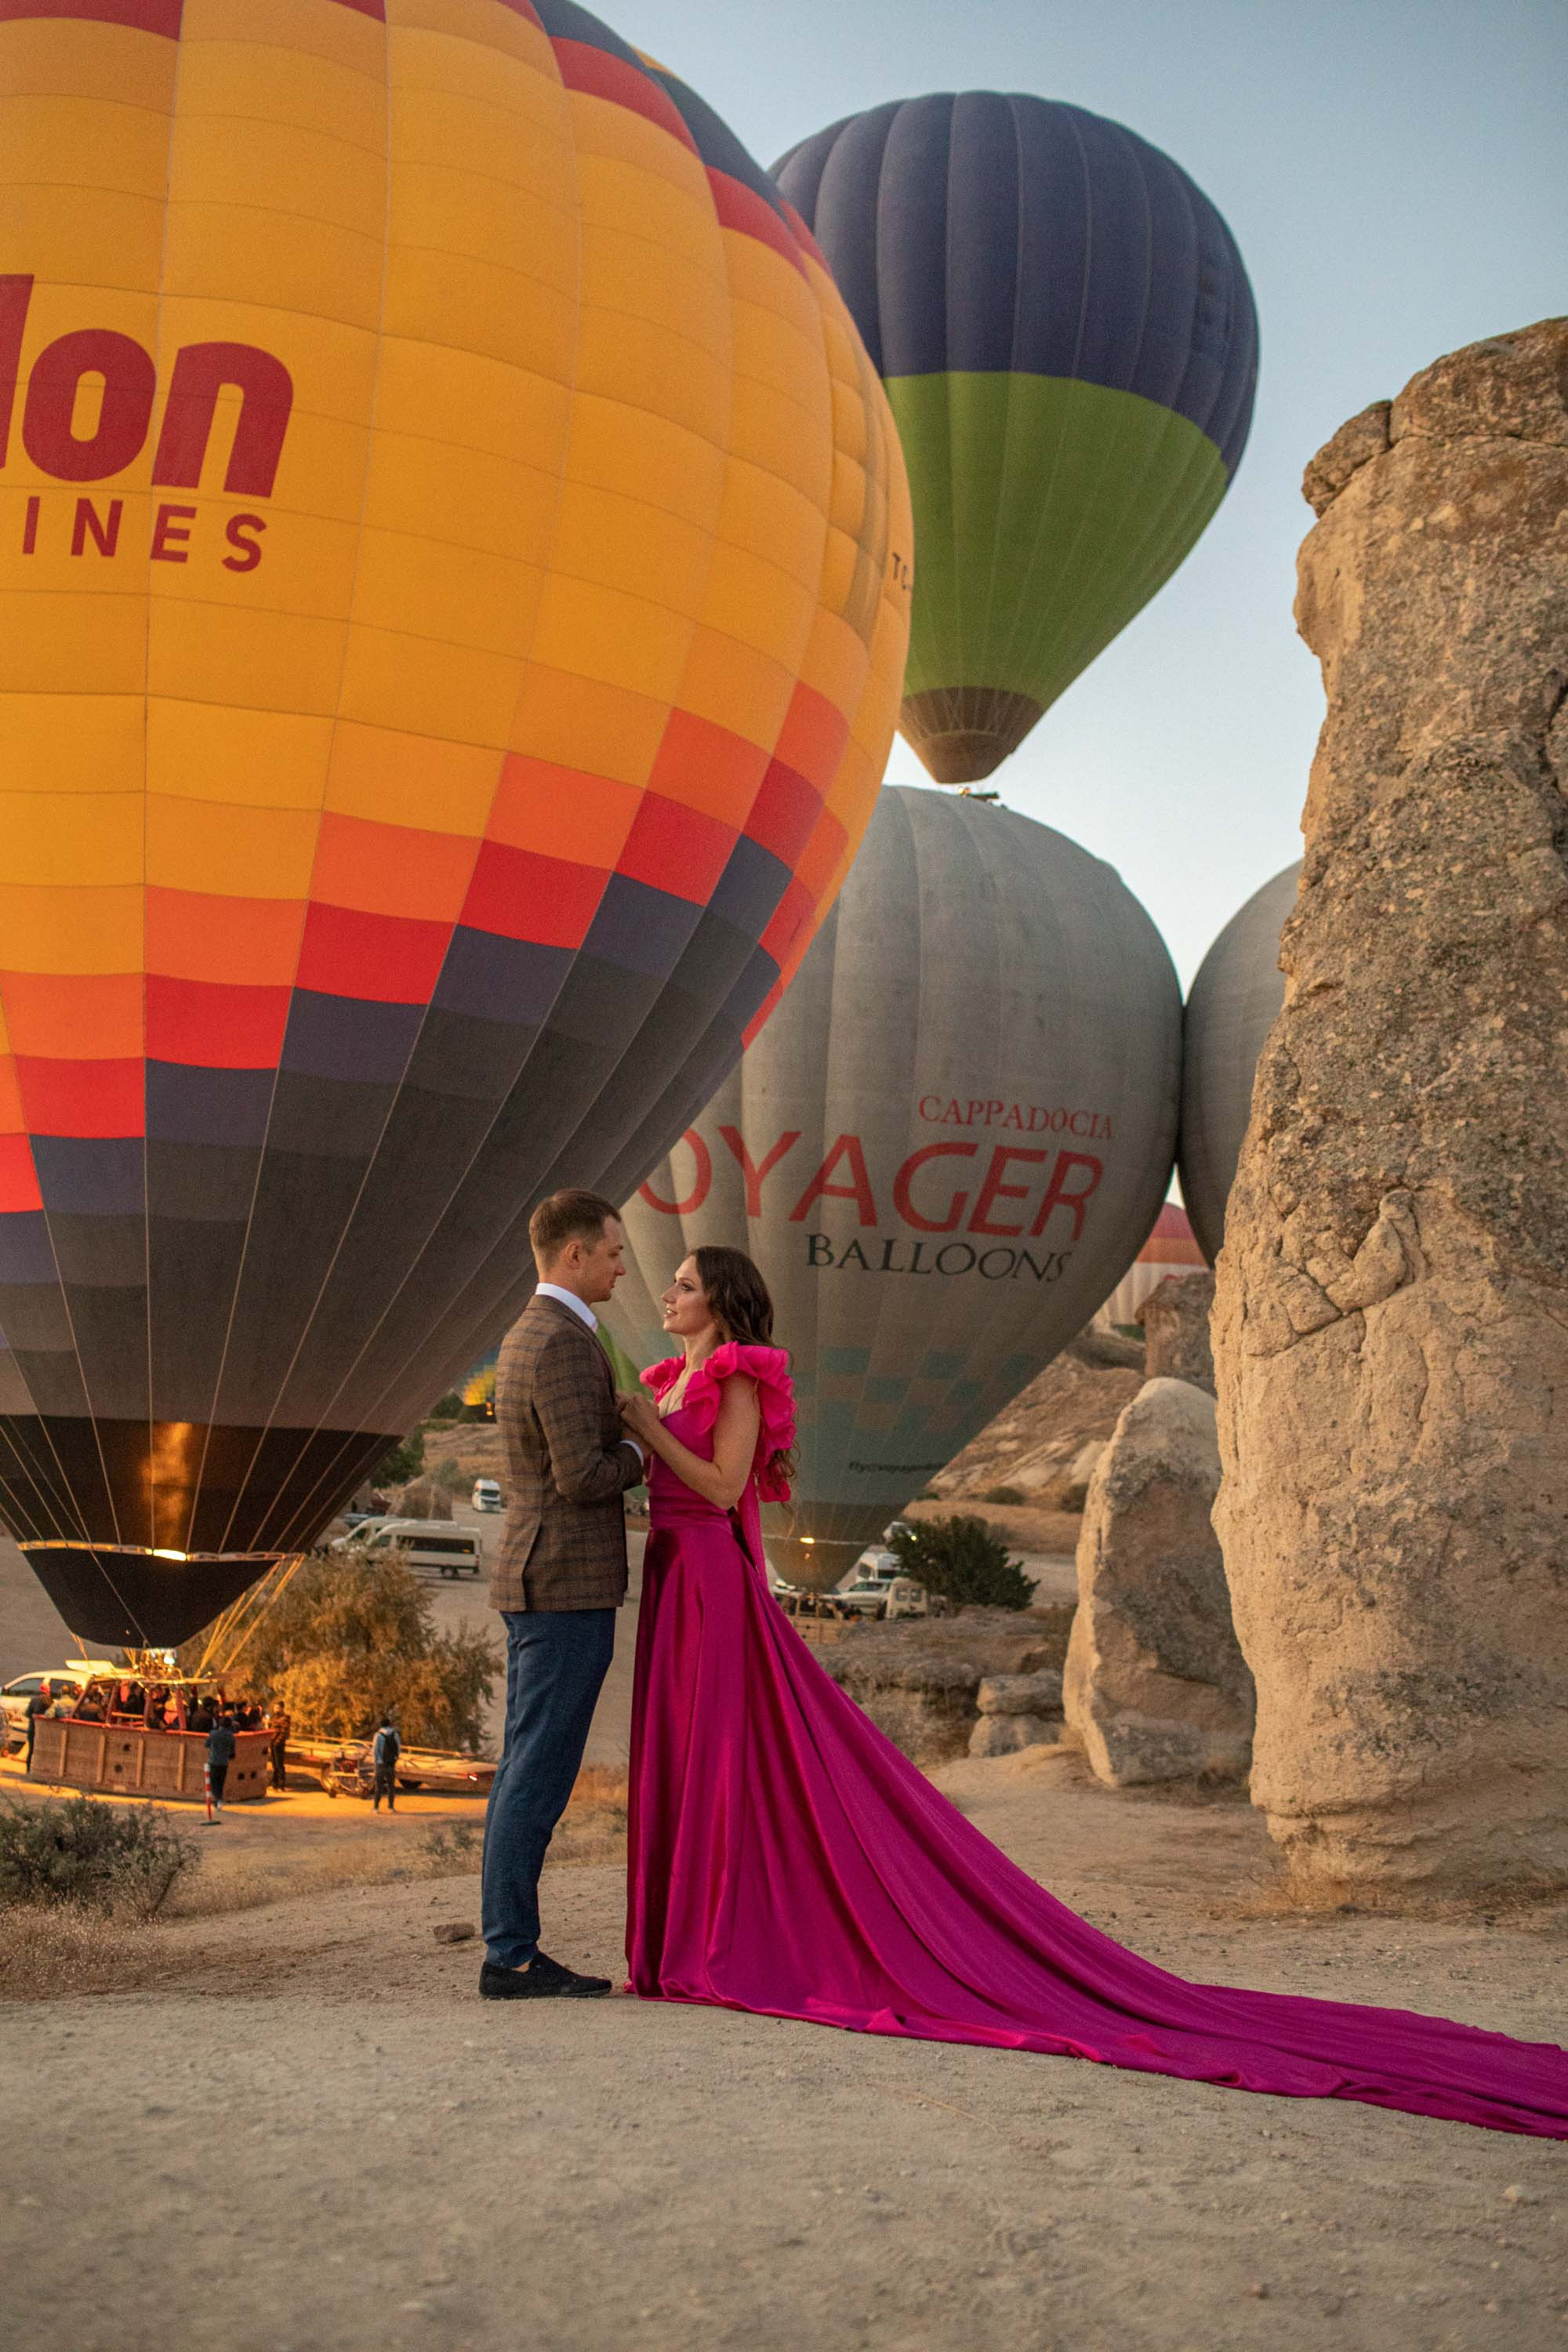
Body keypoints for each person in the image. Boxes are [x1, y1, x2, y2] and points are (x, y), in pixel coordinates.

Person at [614, 1246, 1568, 2143]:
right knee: (691, 1753)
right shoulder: (672, 1380)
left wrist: (648, 1431)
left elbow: (723, 1478)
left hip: (711, 1582)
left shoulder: (736, 1376)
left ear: (721, 1300)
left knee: (729, 1755)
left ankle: (723, 1934)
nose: (668, 1293)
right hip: (670, 1575)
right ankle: (686, 1935)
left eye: (686, 1283)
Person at [477, 1189, 647, 2002]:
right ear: (573, 1253)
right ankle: (509, 1955)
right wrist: (641, 1445)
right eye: (613, 1250)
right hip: (563, 1585)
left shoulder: (533, 1333)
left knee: (526, 1767)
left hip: (541, 1577)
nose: (622, 1263)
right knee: (536, 1774)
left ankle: (509, 1947)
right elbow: (581, 1476)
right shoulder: (561, 1342)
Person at [205, 1706, 237, 1817]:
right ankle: (219, 1800)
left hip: (213, 1761)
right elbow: (233, 1751)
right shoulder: (231, 1736)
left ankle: (218, 1799)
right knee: (221, 1782)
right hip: (224, 1762)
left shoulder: (213, 1734)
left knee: (213, 1782)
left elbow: (206, 1745)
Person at [370, 1715, 401, 1811]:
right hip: (391, 1764)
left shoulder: (378, 1735)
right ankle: (391, 1807)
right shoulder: (395, 1734)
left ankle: (376, 1808)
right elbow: (398, 1749)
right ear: (390, 1724)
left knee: (379, 1786)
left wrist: (376, 1762)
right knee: (391, 1786)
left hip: (380, 1764)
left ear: (381, 1725)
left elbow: (375, 1750)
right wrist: (395, 1760)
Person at [24, 1679, 52, 1767]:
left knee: (31, 1750)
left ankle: (28, 1768)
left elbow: (27, 1714)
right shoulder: (49, 1701)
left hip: (32, 1729)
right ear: (48, 1690)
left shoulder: (33, 1700)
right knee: (43, 1751)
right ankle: (40, 1768)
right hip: (44, 1730)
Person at [266, 1704, 290, 1792]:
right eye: (275, 1708)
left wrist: (277, 1742)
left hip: (278, 1745)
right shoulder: (274, 1717)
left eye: (278, 1708)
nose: (276, 1709)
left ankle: (281, 1785)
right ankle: (274, 1784)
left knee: (279, 1765)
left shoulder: (285, 1718)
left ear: (282, 1708)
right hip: (272, 1744)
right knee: (274, 1765)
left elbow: (284, 1732)